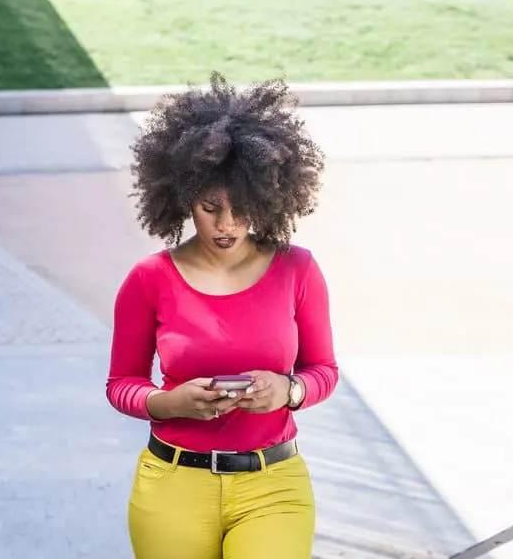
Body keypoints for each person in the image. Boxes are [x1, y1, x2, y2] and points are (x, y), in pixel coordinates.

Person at [105, 72, 339, 559]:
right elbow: (121, 382)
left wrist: (289, 390)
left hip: (273, 486)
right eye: (210, 208)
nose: (226, 224)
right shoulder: (149, 278)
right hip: (172, 484)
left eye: (241, 208)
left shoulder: (298, 270)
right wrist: (170, 403)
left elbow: (324, 370)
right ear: (184, 196)